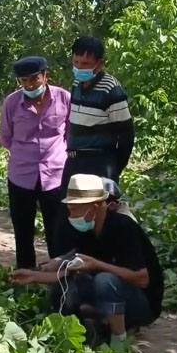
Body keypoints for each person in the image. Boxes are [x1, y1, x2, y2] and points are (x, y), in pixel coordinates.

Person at [10, 174, 164, 345]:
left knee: (105, 281)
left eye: (74, 209)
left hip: (143, 304)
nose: (70, 214)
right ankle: (80, 337)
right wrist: (33, 276)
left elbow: (142, 279)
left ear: (96, 206)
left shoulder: (123, 227)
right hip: (110, 293)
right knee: (63, 288)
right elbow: (67, 272)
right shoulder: (86, 229)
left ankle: (118, 341)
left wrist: (98, 265)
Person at [52, 36, 135, 257]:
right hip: (75, 160)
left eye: (86, 64)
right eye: (76, 62)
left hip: (100, 162)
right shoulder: (78, 84)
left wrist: (113, 167)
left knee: (98, 216)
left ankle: (97, 265)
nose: (79, 68)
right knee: (69, 215)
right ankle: (67, 267)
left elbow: (126, 135)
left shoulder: (111, 89)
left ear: (100, 64)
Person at [0, 56, 70, 268]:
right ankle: (26, 274)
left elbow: (70, 132)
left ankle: (57, 274)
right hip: (21, 175)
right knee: (23, 228)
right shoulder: (12, 103)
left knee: (56, 228)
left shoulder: (64, 98)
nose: (30, 85)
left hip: (56, 175)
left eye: (34, 79)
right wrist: (25, 154)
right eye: (24, 81)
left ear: (46, 76)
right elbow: (6, 137)